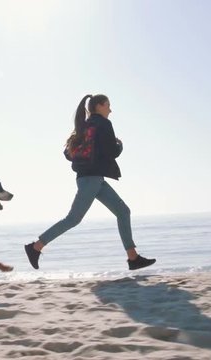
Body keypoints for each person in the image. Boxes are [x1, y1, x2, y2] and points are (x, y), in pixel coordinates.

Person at [24, 94, 155, 271]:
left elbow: (67, 153)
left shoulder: (84, 126)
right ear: (99, 106)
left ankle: (133, 258)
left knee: (123, 211)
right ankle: (36, 247)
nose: (110, 109)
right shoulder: (103, 124)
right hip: (91, 180)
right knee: (73, 219)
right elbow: (112, 152)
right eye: (108, 105)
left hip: (92, 179)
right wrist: (120, 145)